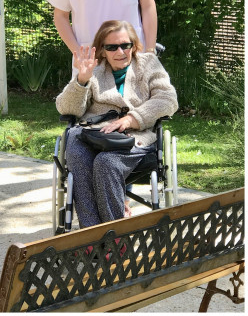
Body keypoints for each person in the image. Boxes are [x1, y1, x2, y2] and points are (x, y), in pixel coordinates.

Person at [57, 20, 178, 228]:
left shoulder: (147, 64)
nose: (120, 51)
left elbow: (168, 99)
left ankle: (115, 237)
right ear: (102, 50)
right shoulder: (93, 70)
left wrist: (133, 118)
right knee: (74, 146)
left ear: (134, 45)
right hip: (95, 134)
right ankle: (91, 235)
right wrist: (81, 81)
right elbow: (66, 109)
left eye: (125, 45)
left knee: (107, 163)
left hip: (133, 137)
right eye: (112, 47)